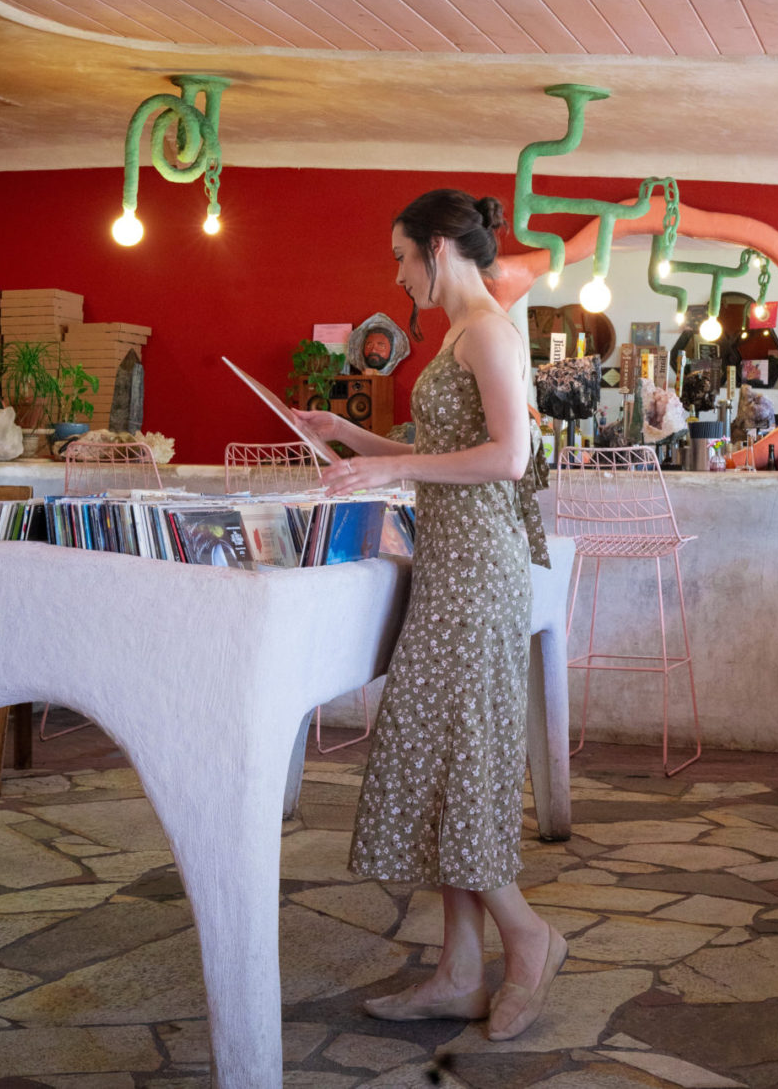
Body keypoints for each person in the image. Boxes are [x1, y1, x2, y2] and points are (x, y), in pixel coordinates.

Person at [291, 189, 564, 1042]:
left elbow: (509, 457)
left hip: (478, 576)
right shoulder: (460, 333)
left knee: (452, 759)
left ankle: (528, 937)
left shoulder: (488, 331)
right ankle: (458, 973)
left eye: (403, 258)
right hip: (453, 570)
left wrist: (387, 473)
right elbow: (441, 453)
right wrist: (351, 437)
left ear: (440, 248)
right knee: (448, 761)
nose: (399, 276)